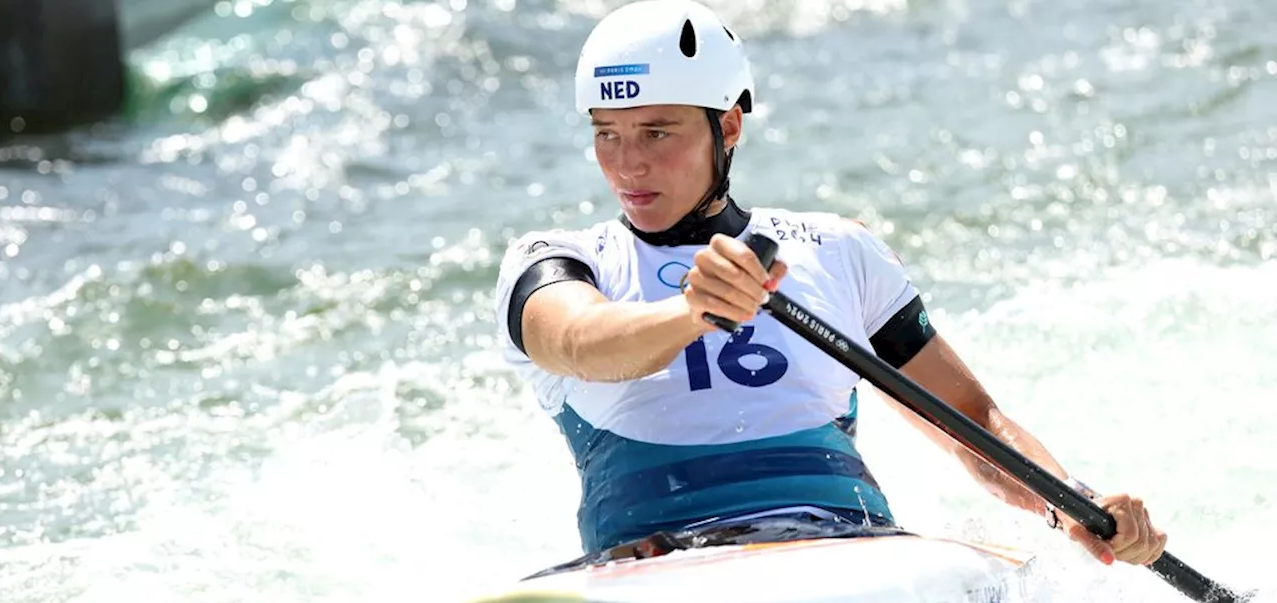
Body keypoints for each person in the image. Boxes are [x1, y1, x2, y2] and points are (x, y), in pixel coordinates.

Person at [494, 0, 1167, 569]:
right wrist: (692, 314)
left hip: (843, 556)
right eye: (606, 134)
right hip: (652, 569)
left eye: (656, 131)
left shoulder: (836, 251)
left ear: (727, 125)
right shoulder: (558, 261)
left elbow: (974, 424)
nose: (627, 163)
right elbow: (581, 342)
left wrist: (1072, 502)